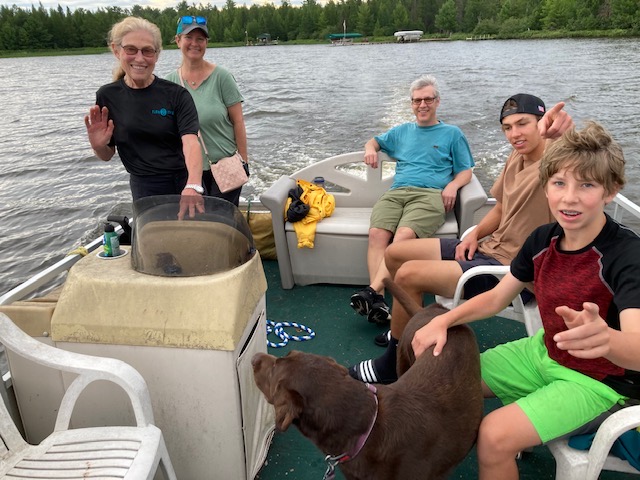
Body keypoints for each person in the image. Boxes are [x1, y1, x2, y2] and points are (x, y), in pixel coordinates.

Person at [412, 121, 640, 480]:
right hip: (543, 352)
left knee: (493, 436)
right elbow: (496, 298)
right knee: (445, 378)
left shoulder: (626, 256)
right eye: (559, 183)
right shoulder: (542, 240)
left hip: (598, 384)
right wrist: (443, 319)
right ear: (546, 186)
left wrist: (607, 340)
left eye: (587, 185)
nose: (569, 198)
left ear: (611, 191)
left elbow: (639, 350)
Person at [349, 94, 573, 384]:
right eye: (507, 127)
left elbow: (576, 157)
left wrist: (566, 134)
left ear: (542, 123)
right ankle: (403, 332)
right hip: (486, 248)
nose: (515, 134)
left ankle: (393, 363)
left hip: (511, 271)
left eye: (523, 124)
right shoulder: (517, 156)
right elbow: (502, 207)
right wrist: (476, 234)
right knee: (396, 253)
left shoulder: (556, 161)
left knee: (407, 276)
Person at [349, 75, 475, 325]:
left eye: (428, 99)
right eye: (417, 100)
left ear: (438, 101)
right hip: (397, 193)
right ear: (412, 104)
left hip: (429, 195)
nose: (422, 105)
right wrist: (369, 150)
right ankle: (380, 302)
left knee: (403, 237)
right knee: (376, 234)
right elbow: (373, 140)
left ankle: (372, 291)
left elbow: (466, 170)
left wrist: (453, 184)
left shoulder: (452, 133)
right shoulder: (402, 132)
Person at [84, 16, 204, 213]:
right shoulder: (107, 96)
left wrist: (193, 185)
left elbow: (191, 142)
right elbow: (107, 155)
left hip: (184, 183)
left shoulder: (176, 95)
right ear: (116, 50)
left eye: (147, 51)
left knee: (191, 241)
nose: (139, 58)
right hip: (143, 187)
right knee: (154, 242)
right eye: (131, 49)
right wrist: (98, 146)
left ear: (156, 55)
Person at [166, 16, 248, 207]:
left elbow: (238, 122)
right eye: (189, 37)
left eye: (200, 39)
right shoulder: (169, 84)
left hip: (225, 168)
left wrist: (243, 162)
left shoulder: (222, 78)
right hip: (187, 172)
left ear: (206, 43)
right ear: (178, 40)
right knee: (196, 227)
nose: (194, 43)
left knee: (223, 225)